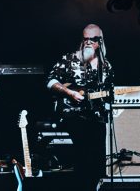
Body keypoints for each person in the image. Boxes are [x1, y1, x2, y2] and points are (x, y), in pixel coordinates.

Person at [47, 24, 113, 190]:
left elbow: (109, 93)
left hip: (97, 118)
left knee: (97, 158)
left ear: (100, 41)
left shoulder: (106, 66)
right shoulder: (69, 59)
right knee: (82, 154)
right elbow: (50, 81)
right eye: (85, 39)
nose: (88, 42)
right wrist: (69, 92)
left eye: (93, 39)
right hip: (73, 115)